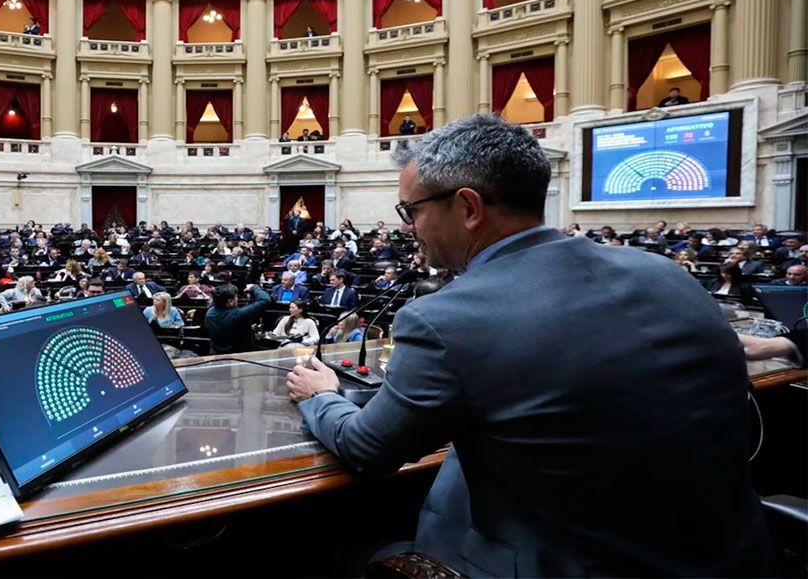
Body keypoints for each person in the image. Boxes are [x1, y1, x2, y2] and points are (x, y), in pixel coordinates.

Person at [284, 113, 777, 577]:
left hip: (564, 566)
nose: (407, 227)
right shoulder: (665, 273)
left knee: (320, 550)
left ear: (469, 208)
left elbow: (368, 449)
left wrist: (321, 394)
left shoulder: (446, 318)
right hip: (737, 560)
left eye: (411, 210)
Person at [205, 283, 272, 355]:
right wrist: (254, 287)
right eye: (236, 297)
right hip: (240, 357)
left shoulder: (210, 312)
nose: (238, 299)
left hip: (217, 356)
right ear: (230, 301)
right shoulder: (238, 315)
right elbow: (265, 300)